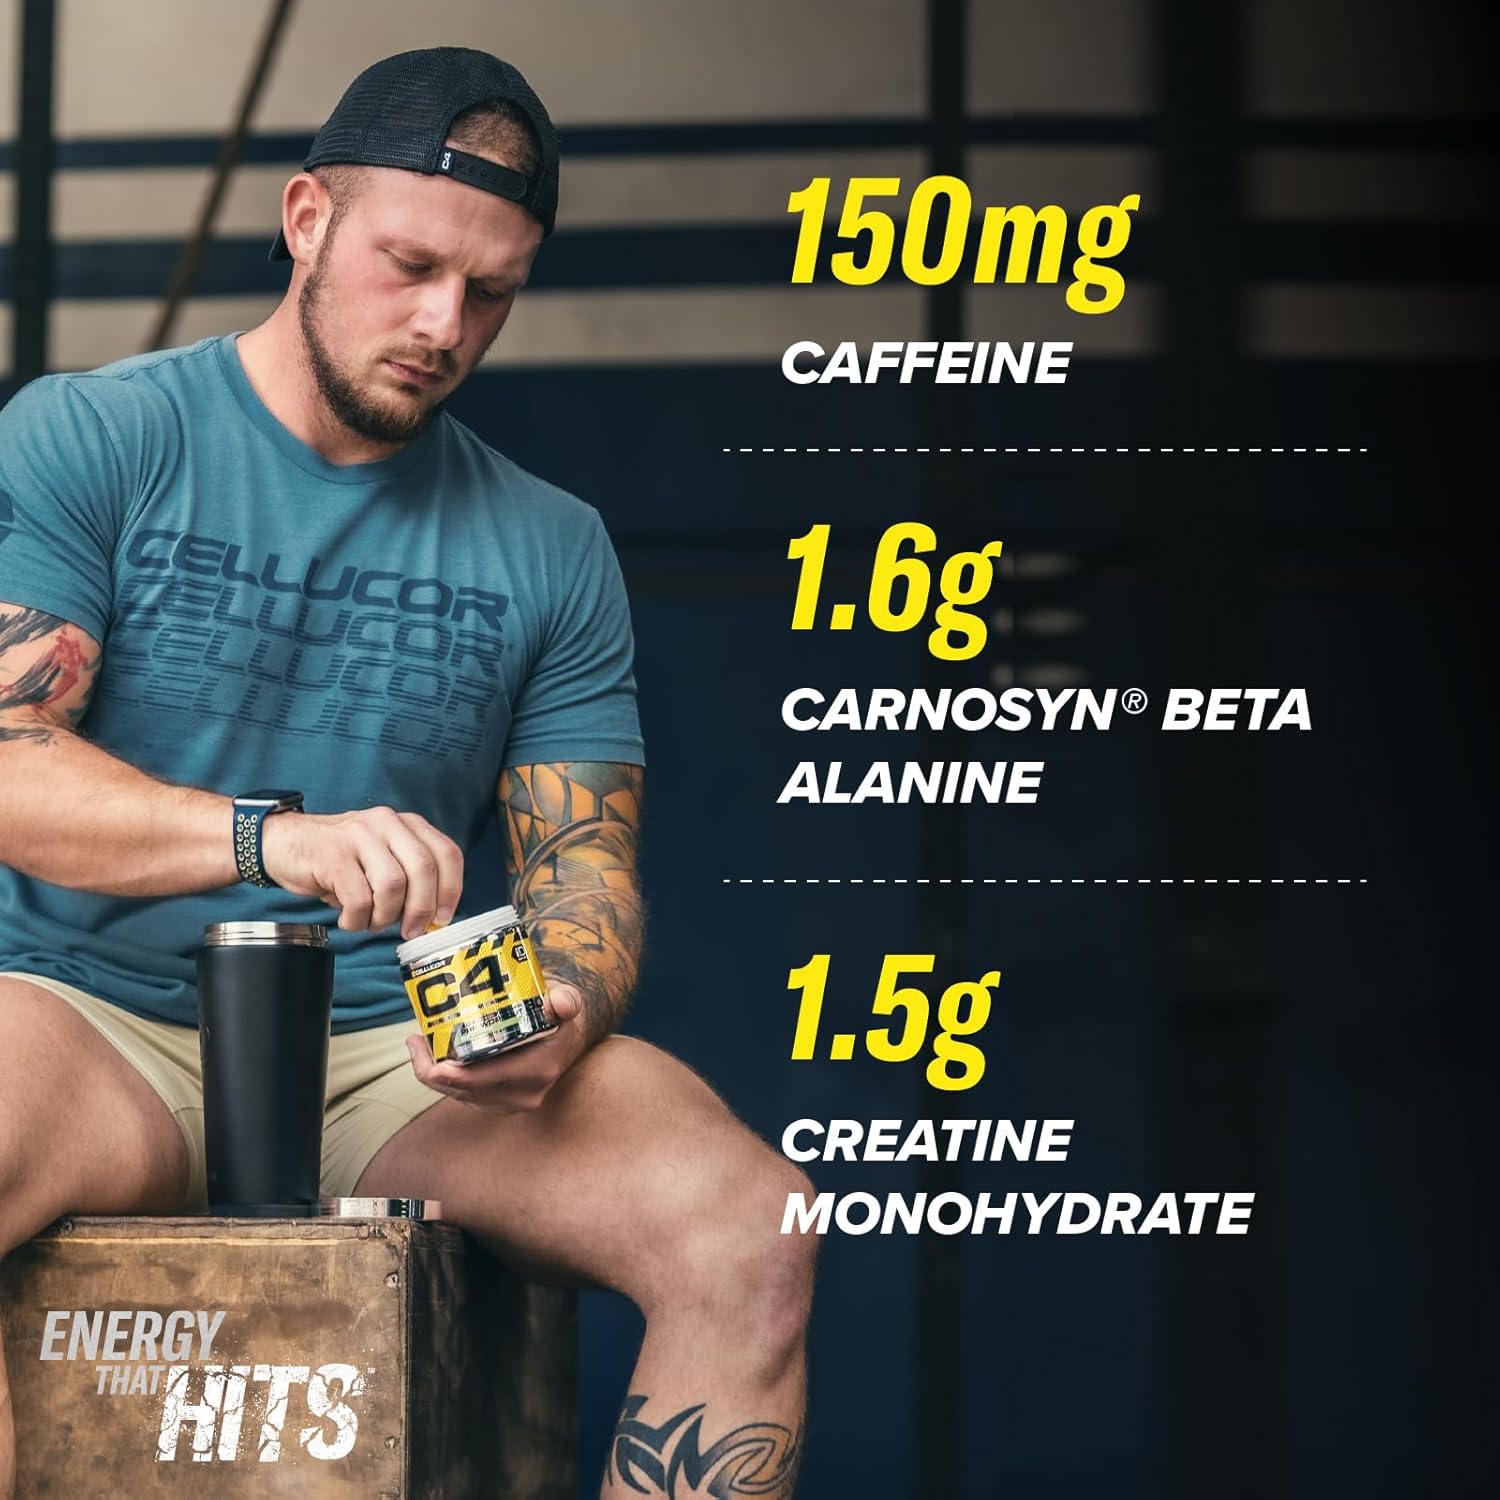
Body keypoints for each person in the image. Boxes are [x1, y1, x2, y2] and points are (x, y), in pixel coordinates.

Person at [0, 47, 813, 1498]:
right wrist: (270, 838)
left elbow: (584, 878)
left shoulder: (551, 544)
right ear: (307, 218)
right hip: (86, 1022)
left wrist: (562, 1002)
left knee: (752, 1226)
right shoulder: (95, 436)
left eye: (491, 290)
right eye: (412, 265)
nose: (445, 324)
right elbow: (11, 768)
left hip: (395, 1058)